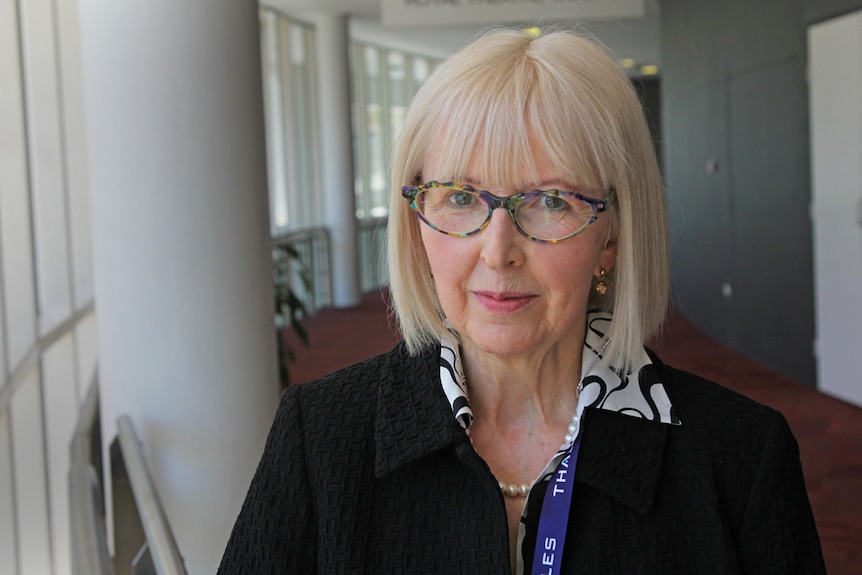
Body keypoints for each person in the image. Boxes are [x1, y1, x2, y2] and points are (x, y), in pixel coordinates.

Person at [218, 29, 825, 574]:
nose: (498, 250)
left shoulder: (740, 456)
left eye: (552, 201)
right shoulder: (319, 436)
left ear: (611, 234)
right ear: (417, 223)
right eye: (459, 197)